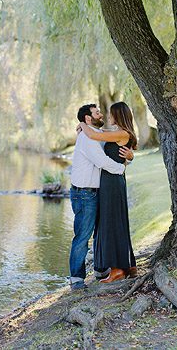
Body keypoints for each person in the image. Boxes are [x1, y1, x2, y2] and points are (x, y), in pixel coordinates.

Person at [69, 104, 134, 290]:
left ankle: (100, 269)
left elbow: (118, 149)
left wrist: (129, 158)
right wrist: (122, 168)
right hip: (84, 193)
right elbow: (103, 162)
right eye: (97, 112)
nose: (101, 114)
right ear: (88, 118)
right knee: (83, 235)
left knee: (100, 230)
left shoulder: (97, 134)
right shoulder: (88, 138)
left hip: (97, 191)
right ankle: (77, 278)